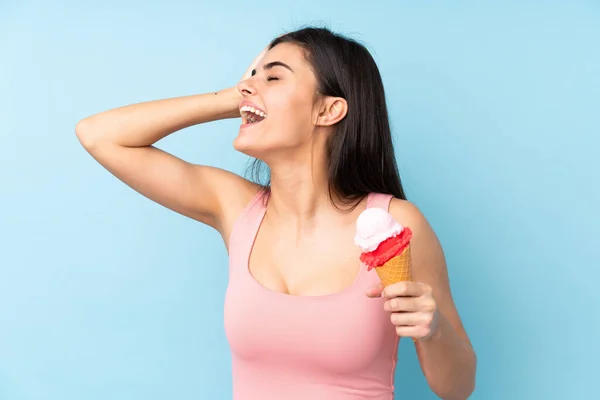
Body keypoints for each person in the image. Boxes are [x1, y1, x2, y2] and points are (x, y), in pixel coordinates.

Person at [76, 27, 476, 400]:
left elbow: (456, 388)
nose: (248, 83)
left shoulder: (397, 224)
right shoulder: (234, 207)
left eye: (274, 77)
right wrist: (238, 97)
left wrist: (434, 330)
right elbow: (100, 135)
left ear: (329, 110)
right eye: (251, 75)